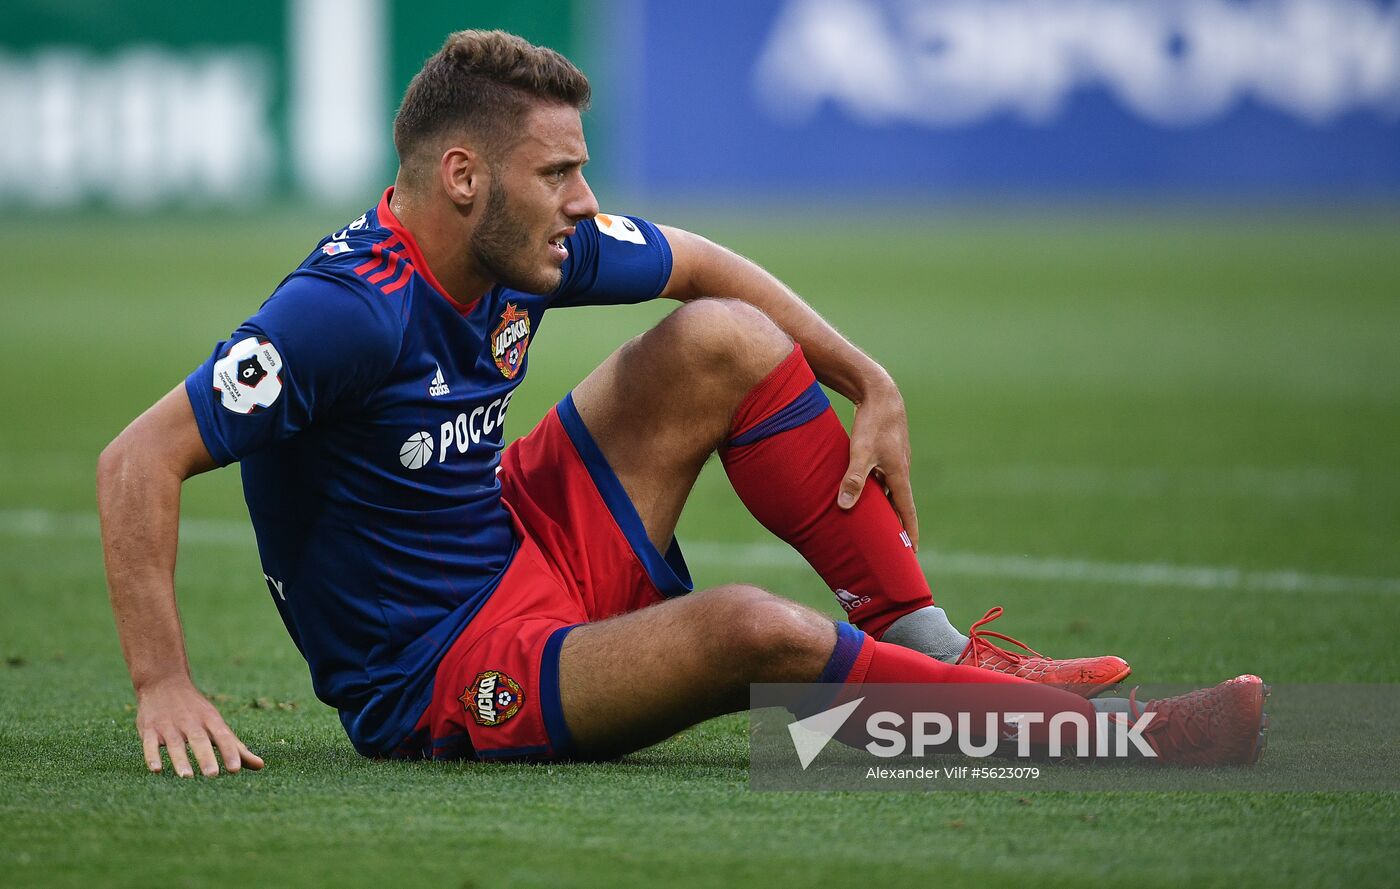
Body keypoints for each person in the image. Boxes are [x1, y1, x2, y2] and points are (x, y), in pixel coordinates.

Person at [96, 30, 1267, 777]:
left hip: (521, 541)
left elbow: (699, 260)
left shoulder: (518, 244)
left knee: (725, 340)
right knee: (744, 630)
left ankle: (947, 653)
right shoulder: (343, 313)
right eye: (559, 172)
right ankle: (1105, 747)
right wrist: (164, 682)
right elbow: (134, 459)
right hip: (445, 671)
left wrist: (865, 375)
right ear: (463, 177)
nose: (582, 199)